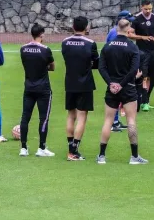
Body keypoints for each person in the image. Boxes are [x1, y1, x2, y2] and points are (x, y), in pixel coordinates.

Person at [97, 19, 148, 165]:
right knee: (131, 121)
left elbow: (101, 68)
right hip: (129, 88)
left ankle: (101, 156)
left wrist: (111, 83)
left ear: (117, 28)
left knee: (108, 121)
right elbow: (134, 70)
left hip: (111, 89)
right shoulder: (132, 47)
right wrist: (122, 84)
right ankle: (134, 157)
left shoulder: (108, 46)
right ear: (129, 29)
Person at [61, 16, 99, 161]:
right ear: (87, 27)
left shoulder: (65, 42)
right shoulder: (90, 43)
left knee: (71, 115)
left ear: (73, 27)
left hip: (70, 82)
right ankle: (74, 151)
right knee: (82, 116)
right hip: (85, 83)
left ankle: (70, 148)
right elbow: (96, 62)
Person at [19, 24, 55, 157]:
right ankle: (41, 148)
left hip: (28, 87)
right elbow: (52, 67)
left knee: (25, 117)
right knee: (43, 118)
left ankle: (23, 148)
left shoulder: (23, 49)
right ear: (42, 34)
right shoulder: (46, 50)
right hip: (43, 88)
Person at [129, 0, 154, 112]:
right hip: (141, 52)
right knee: (143, 76)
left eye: (150, 9)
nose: (148, 11)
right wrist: (142, 37)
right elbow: (130, 34)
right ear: (141, 8)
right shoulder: (136, 19)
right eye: (145, 9)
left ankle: (146, 100)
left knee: (152, 76)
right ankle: (141, 100)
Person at [107, 10, 134, 131]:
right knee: (115, 93)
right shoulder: (115, 33)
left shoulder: (115, 31)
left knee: (117, 94)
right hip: (116, 69)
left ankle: (116, 121)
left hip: (116, 68)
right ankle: (113, 123)